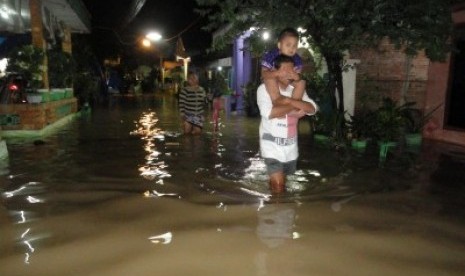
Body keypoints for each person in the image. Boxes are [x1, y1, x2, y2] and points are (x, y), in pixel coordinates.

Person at [257, 54, 318, 194]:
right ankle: (277, 211)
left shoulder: (295, 90)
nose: (289, 74)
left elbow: (312, 108)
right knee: (279, 187)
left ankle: (275, 201)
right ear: (276, 72)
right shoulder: (264, 89)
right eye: (285, 70)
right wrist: (296, 107)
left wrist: (289, 102)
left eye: (292, 70)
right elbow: (270, 113)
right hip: (271, 147)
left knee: (281, 184)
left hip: (290, 148)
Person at [261, 27, 306, 106]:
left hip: (288, 81)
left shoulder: (297, 59)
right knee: (269, 79)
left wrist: (296, 76)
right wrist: (277, 73)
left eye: (294, 46)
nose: (291, 48)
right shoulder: (271, 56)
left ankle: (294, 104)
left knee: (301, 83)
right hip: (275, 80)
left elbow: (299, 75)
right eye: (288, 45)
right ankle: (277, 100)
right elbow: (264, 74)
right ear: (279, 45)